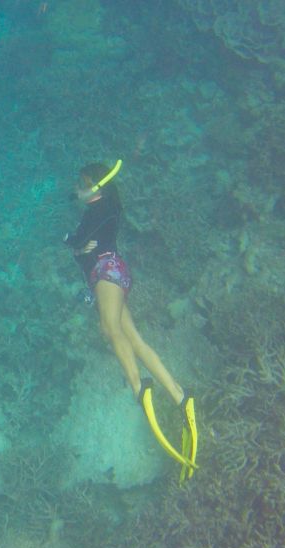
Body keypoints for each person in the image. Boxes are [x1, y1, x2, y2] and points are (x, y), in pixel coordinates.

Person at [63, 160, 198, 482]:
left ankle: (140, 388)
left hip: (107, 273)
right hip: (110, 273)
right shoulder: (104, 209)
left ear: (97, 187)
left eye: (82, 183)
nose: (76, 188)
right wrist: (80, 246)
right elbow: (81, 245)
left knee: (110, 330)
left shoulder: (99, 210)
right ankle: (180, 395)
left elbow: (75, 239)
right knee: (132, 338)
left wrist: (75, 242)